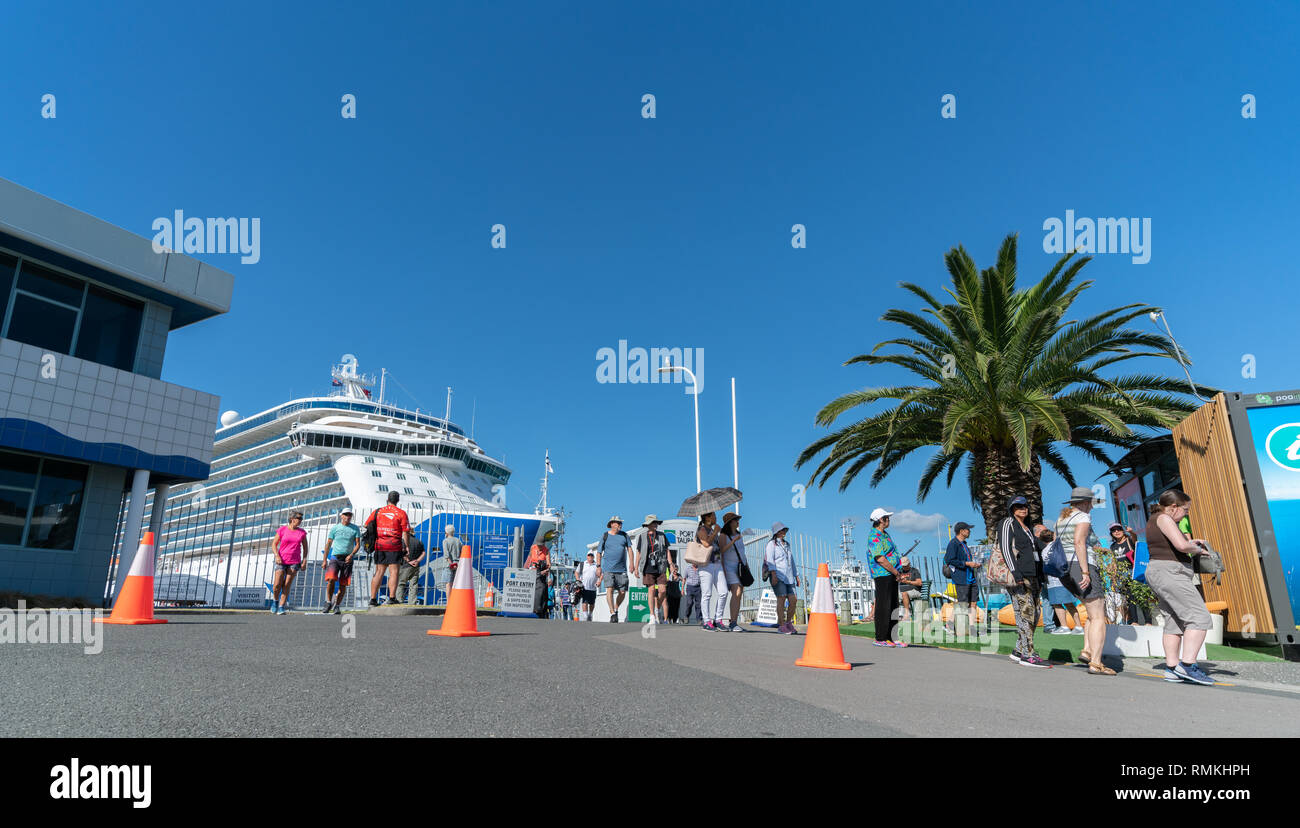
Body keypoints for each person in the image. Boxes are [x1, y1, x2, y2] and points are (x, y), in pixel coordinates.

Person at [1146, 491, 1216, 685]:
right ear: (1174, 506)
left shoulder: (1155, 519)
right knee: (1199, 617)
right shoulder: (1164, 518)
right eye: (1185, 510)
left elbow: (1178, 544)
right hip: (1170, 571)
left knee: (1174, 621)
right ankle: (1187, 665)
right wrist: (1198, 549)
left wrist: (1189, 544)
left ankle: (1172, 668)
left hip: (1160, 571)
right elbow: (1181, 546)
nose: (1186, 514)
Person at [1056, 486, 1113, 676]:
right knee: (1098, 615)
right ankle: (1096, 663)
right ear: (1086, 503)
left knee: (1090, 612)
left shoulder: (1061, 519)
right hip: (1081, 565)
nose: (1093, 507)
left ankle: (1087, 650)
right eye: (1092, 503)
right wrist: (1086, 572)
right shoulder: (1083, 517)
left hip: (1064, 569)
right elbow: (1079, 543)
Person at [997, 496, 1050, 667]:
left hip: (1035, 576)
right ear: (1011, 509)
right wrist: (1015, 572)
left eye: (1025, 506)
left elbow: (1038, 550)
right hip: (1019, 576)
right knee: (1025, 614)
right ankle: (1028, 654)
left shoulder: (1027, 528)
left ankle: (1019, 650)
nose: (1023, 509)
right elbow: (1005, 548)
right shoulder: (1007, 523)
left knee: (1034, 614)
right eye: (1018, 506)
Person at [866, 508, 907, 647]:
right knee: (884, 605)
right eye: (886, 518)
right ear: (880, 520)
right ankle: (881, 637)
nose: (889, 520)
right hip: (883, 574)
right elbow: (880, 558)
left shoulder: (885, 535)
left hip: (892, 573)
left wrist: (897, 572)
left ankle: (892, 637)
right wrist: (896, 572)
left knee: (894, 604)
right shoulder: (874, 536)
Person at [367, 491, 412, 607]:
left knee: (379, 572)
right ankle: (392, 597)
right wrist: (406, 546)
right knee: (394, 572)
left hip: (380, 545)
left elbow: (367, 525)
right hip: (394, 545)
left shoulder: (378, 511)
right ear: (398, 500)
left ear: (387, 499)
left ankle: (372, 599)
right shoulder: (401, 513)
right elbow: (406, 532)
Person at [634, 515, 675, 624]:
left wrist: (671, 564)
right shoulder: (642, 537)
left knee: (662, 591)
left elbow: (667, 550)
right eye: (653, 523)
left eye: (656, 522)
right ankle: (652, 615)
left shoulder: (662, 536)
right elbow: (638, 553)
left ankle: (657, 608)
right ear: (648, 525)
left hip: (661, 566)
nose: (655, 524)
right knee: (651, 590)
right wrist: (636, 567)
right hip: (647, 566)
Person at [943, 521, 980, 636]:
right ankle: (949, 625)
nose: (969, 531)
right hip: (961, 577)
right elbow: (950, 560)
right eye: (968, 529)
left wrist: (973, 564)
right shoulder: (953, 544)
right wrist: (967, 564)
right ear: (961, 531)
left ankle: (972, 627)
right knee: (962, 604)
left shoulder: (964, 544)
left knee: (973, 602)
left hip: (971, 577)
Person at [321, 508, 360, 613]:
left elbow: (358, 544)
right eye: (346, 514)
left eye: (350, 515)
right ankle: (328, 602)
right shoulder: (335, 528)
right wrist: (324, 560)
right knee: (331, 580)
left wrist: (351, 554)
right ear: (341, 516)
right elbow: (328, 544)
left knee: (343, 583)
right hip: (335, 557)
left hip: (347, 559)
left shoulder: (355, 528)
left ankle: (337, 605)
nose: (348, 516)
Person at [764, 522, 800, 634]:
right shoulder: (771, 544)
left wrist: (796, 575)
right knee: (781, 598)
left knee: (793, 600)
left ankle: (788, 623)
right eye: (782, 530)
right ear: (777, 532)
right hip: (778, 575)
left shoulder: (787, 545)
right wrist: (773, 574)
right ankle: (781, 625)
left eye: (784, 530)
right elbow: (770, 560)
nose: (784, 532)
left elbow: (792, 561)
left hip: (789, 577)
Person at [272, 511, 309, 615]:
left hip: (295, 561)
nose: (301, 521)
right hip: (281, 560)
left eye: (301, 519)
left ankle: (281, 606)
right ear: (292, 519)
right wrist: (277, 556)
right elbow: (274, 544)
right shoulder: (282, 530)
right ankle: (275, 601)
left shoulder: (302, 532)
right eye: (299, 519)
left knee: (287, 584)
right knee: (277, 585)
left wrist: (304, 560)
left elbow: (305, 547)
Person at [696, 512, 728, 631]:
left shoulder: (714, 530)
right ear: (708, 518)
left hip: (717, 563)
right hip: (706, 565)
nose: (716, 517)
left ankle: (718, 619)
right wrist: (715, 532)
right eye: (714, 515)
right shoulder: (701, 529)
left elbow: (719, 548)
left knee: (723, 591)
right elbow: (705, 544)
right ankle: (706, 621)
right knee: (707, 594)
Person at [596, 517, 632, 622]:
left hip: (622, 569)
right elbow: (599, 552)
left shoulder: (624, 535)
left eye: (621, 523)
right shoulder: (605, 536)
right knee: (609, 589)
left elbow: (630, 549)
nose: (620, 524)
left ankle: (616, 608)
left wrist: (632, 564)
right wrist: (598, 566)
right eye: (618, 523)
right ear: (612, 524)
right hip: (608, 569)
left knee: (622, 592)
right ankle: (612, 613)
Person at [717, 512, 747, 632]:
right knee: (737, 591)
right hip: (729, 567)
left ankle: (734, 621)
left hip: (740, 567)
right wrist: (733, 540)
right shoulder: (723, 535)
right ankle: (733, 623)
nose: (738, 522)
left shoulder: (739, 535)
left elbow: (742, 552)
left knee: (739, 593)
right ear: (730, 522)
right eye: (735, 520)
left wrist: (747, 566)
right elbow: (721, 550)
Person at [394, 535, 426, 605]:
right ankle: (412, 603)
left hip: (405, 566)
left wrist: (409, 561)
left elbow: (402, 553)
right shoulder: (419, 542)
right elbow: (423, 553)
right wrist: (417, 561)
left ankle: (399, 601)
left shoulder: (403, 541)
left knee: (401, 584)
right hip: (416, 567)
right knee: (413, 585)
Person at [526, 534, 552, 618]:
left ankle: (539, 609)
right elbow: (529, 559)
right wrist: (525, 568)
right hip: (532, 571)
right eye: (538, 545)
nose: (539, 547)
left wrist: (546, 570)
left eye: (541, 545)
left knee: (541, 589)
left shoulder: (546, 551)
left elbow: (549, 565)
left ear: (544, 544)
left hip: (541, 572)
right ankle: (530, 608)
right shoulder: (533, 548)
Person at [896, 556, 922, 621]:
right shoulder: (900, 571)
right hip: (902, 591)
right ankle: (897, 614)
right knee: (892, 594)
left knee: (904, 594)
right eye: (903, 566)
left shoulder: (914, 571)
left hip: (914, 590)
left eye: (905, 565)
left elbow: (919, 583)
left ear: (909, 564)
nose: (904, 567)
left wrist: (908, 582)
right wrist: (898, 579)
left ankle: (907, 615)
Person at [441, 525, 462, 602]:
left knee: (448, 584)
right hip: (458, 564)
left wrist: (451, 564)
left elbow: (446, 555)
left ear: (446, 532)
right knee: (456, 584)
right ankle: (455, 601)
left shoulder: (445, 541)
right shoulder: (458, 540)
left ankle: (449, 602)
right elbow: (461, 552)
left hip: (449, 565)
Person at [576, 551, 599, 620]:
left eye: (591, 555)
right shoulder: (582, 564)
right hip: (584, 587)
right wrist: (578, 580)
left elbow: (601, 574)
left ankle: (590, 614)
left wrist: (599, 581)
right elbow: (576, 572)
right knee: (584, 601)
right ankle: (585, 615)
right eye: (589, 555)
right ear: (587, 556)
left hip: (593, 587)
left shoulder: (597, 565)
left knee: (592, 603)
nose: (590, 557)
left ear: (593, 557)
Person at [681, 556, 702, 625]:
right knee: (689, 603)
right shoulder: (688, 568)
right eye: (693, 561)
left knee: (698, 604)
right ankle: (686, 616)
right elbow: (684, 578)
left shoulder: (700, 569)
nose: (694, 563)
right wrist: (682, 589)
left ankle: (699, 619)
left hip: (698, 588)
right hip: (690, 587)